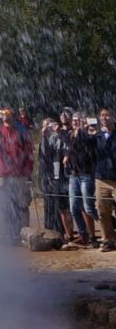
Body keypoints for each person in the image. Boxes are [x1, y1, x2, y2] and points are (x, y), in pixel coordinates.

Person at [0, 105, 34, 241]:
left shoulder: (21, 130)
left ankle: (25, 234)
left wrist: (29, 173)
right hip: (2, 174)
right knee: (5, 205)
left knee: (22, 204)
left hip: (19, 174)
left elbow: (29, 152)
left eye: (8, 114)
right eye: (3, 114)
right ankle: (9, 233)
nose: (5, 116)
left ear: (13, 115)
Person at [66, 112, 101, 248]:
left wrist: (84, 129)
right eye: (74, 120)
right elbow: (69, 149)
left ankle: (96, 235)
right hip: (73, 175)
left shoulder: (87, 134)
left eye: (78, 120)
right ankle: (83, 234)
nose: (75, 122)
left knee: (88, 207)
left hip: (85, 174)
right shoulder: (70, 135)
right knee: (74, 207)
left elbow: (89, 144)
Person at [35, 115, 67, 243]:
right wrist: (44, 136)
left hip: (57, 175)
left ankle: (59, 231)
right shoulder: (44, 139)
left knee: (58, 205)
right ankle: (48, 230)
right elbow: (43, 155)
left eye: (49, 125)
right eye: (45, 126)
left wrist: (57, 132)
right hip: (45, 175)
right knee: (48, 204)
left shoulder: (57, 137)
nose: (47, 128)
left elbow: (55, 151)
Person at [95, 108, 116, 253]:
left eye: (107, 115)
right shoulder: (96, 135)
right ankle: (108, 239)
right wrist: (83, 132)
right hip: (101, 178)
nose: (105, 118)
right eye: (102, 115)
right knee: (102, 210)